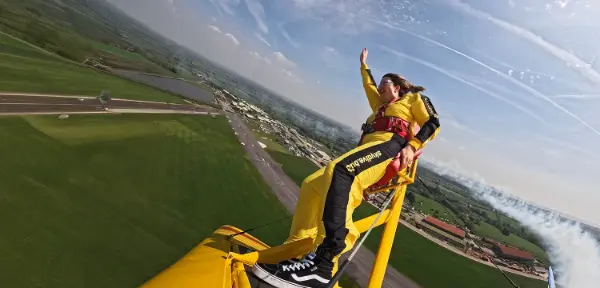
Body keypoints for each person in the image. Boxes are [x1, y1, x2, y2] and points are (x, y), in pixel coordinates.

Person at [251, 48, 441, 288]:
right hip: (369, 151)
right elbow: (369, 86)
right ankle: (296, 252)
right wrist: (364, 66)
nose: (379, 87)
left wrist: (412, 146)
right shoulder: (380, 107)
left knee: (340, 171)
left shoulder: (412, 99)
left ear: (397, 88)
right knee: (313, 185)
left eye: (385, 83)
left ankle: (323, 263)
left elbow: (433, 122)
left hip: (390, 147)